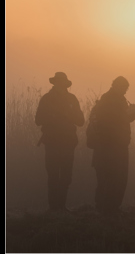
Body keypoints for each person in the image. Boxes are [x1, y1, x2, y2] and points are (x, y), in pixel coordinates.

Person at [35, 72, 85, 212]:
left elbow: (81, 121)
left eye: (62, 83)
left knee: (66, 177)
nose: (61, 86)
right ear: (55, 83)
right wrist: (52, 117)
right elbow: (38, 120)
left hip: (68, 144)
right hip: (52, 144)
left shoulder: (71, 99)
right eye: (59, 83)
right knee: (53, 176)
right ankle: (54, 208)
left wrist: (68, 115)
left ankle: (61, 207)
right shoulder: (47, 99)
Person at [92, 76, 135, 214]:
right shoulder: (108, 100)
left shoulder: (119, 99)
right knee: (110, 177)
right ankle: (105, 208)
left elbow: (122, 120)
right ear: (117, 86)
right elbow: (112, 122)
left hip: (119, 145)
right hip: (109, 146)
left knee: (119, 177)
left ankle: (111, 207)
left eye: (126, 89)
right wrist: (129, 114)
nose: (125, 91)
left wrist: (132, 115)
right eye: (124, 88)